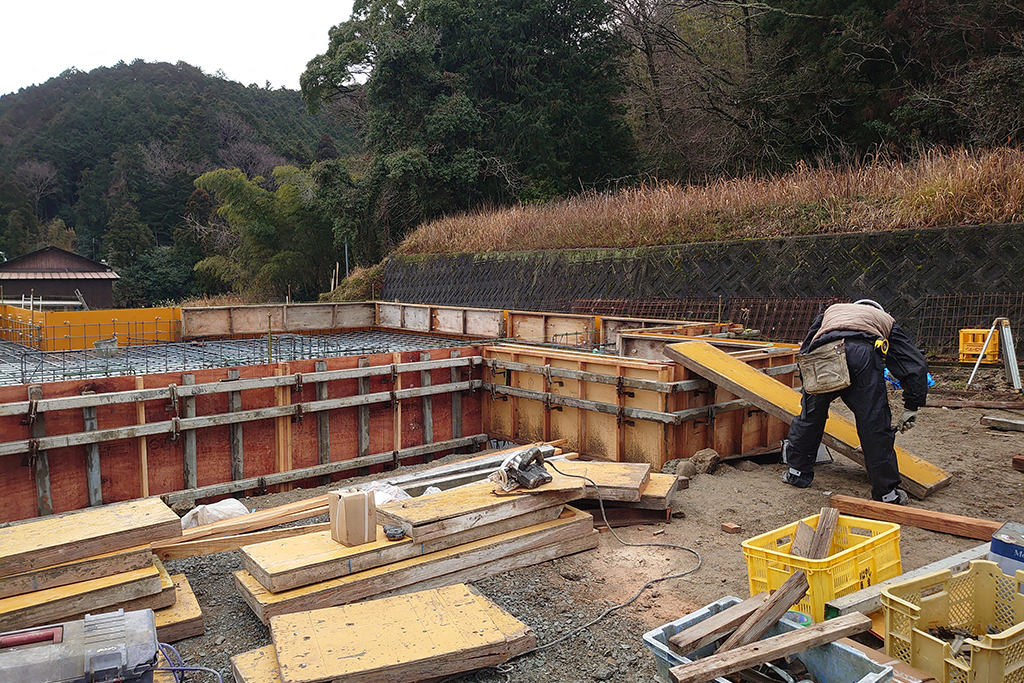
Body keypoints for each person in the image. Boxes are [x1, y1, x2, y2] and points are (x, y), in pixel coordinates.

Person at [781, 299, 929, 505]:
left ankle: (797, 474)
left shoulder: (830, 311)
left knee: (810, 417)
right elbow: (913, 364)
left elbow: (807, 347)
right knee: (874, 424)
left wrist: (809, 390)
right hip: (862, 356)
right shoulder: (885, 320)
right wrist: (912, 404)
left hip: (823, 355)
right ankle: (887, 494)